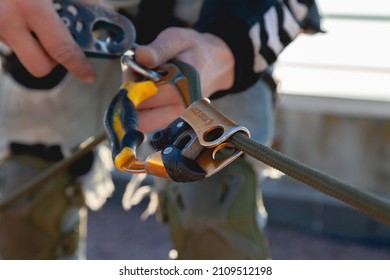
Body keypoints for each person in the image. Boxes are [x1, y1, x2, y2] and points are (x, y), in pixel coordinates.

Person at [0, 0, 321, 259]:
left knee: (213, 210)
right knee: (25, 208)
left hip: (217, 18)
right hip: (56, 15)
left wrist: (226, 47)